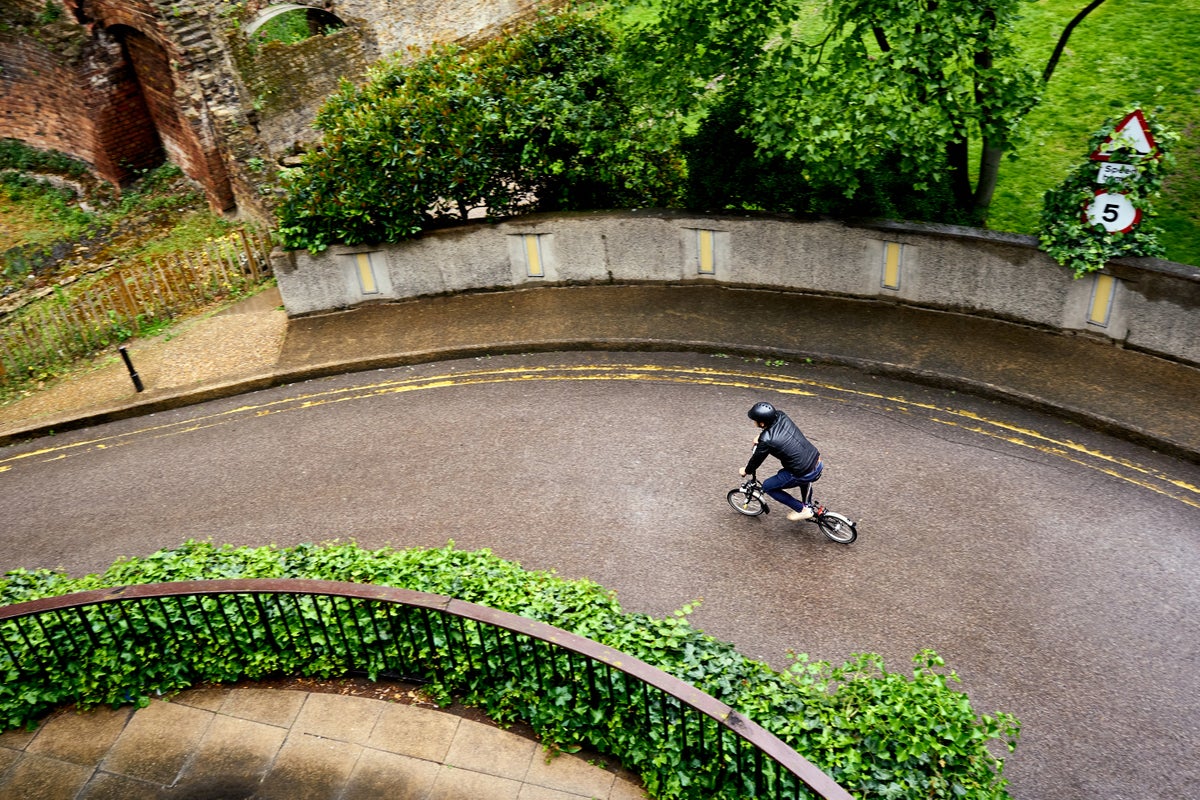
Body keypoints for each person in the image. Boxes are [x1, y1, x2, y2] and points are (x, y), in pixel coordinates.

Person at [739, 401, 823, 521]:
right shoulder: (781, 415)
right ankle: (807, 503)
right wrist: (761, 437)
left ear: (762, 423)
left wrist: (746, 471)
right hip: (816, 460)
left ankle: (804, 510)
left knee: (768, 486)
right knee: (791, 473)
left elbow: (756, 460)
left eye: (755, 420)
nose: (754, 422)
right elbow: (779, 431)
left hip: (805, 472)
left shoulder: (767, 440)